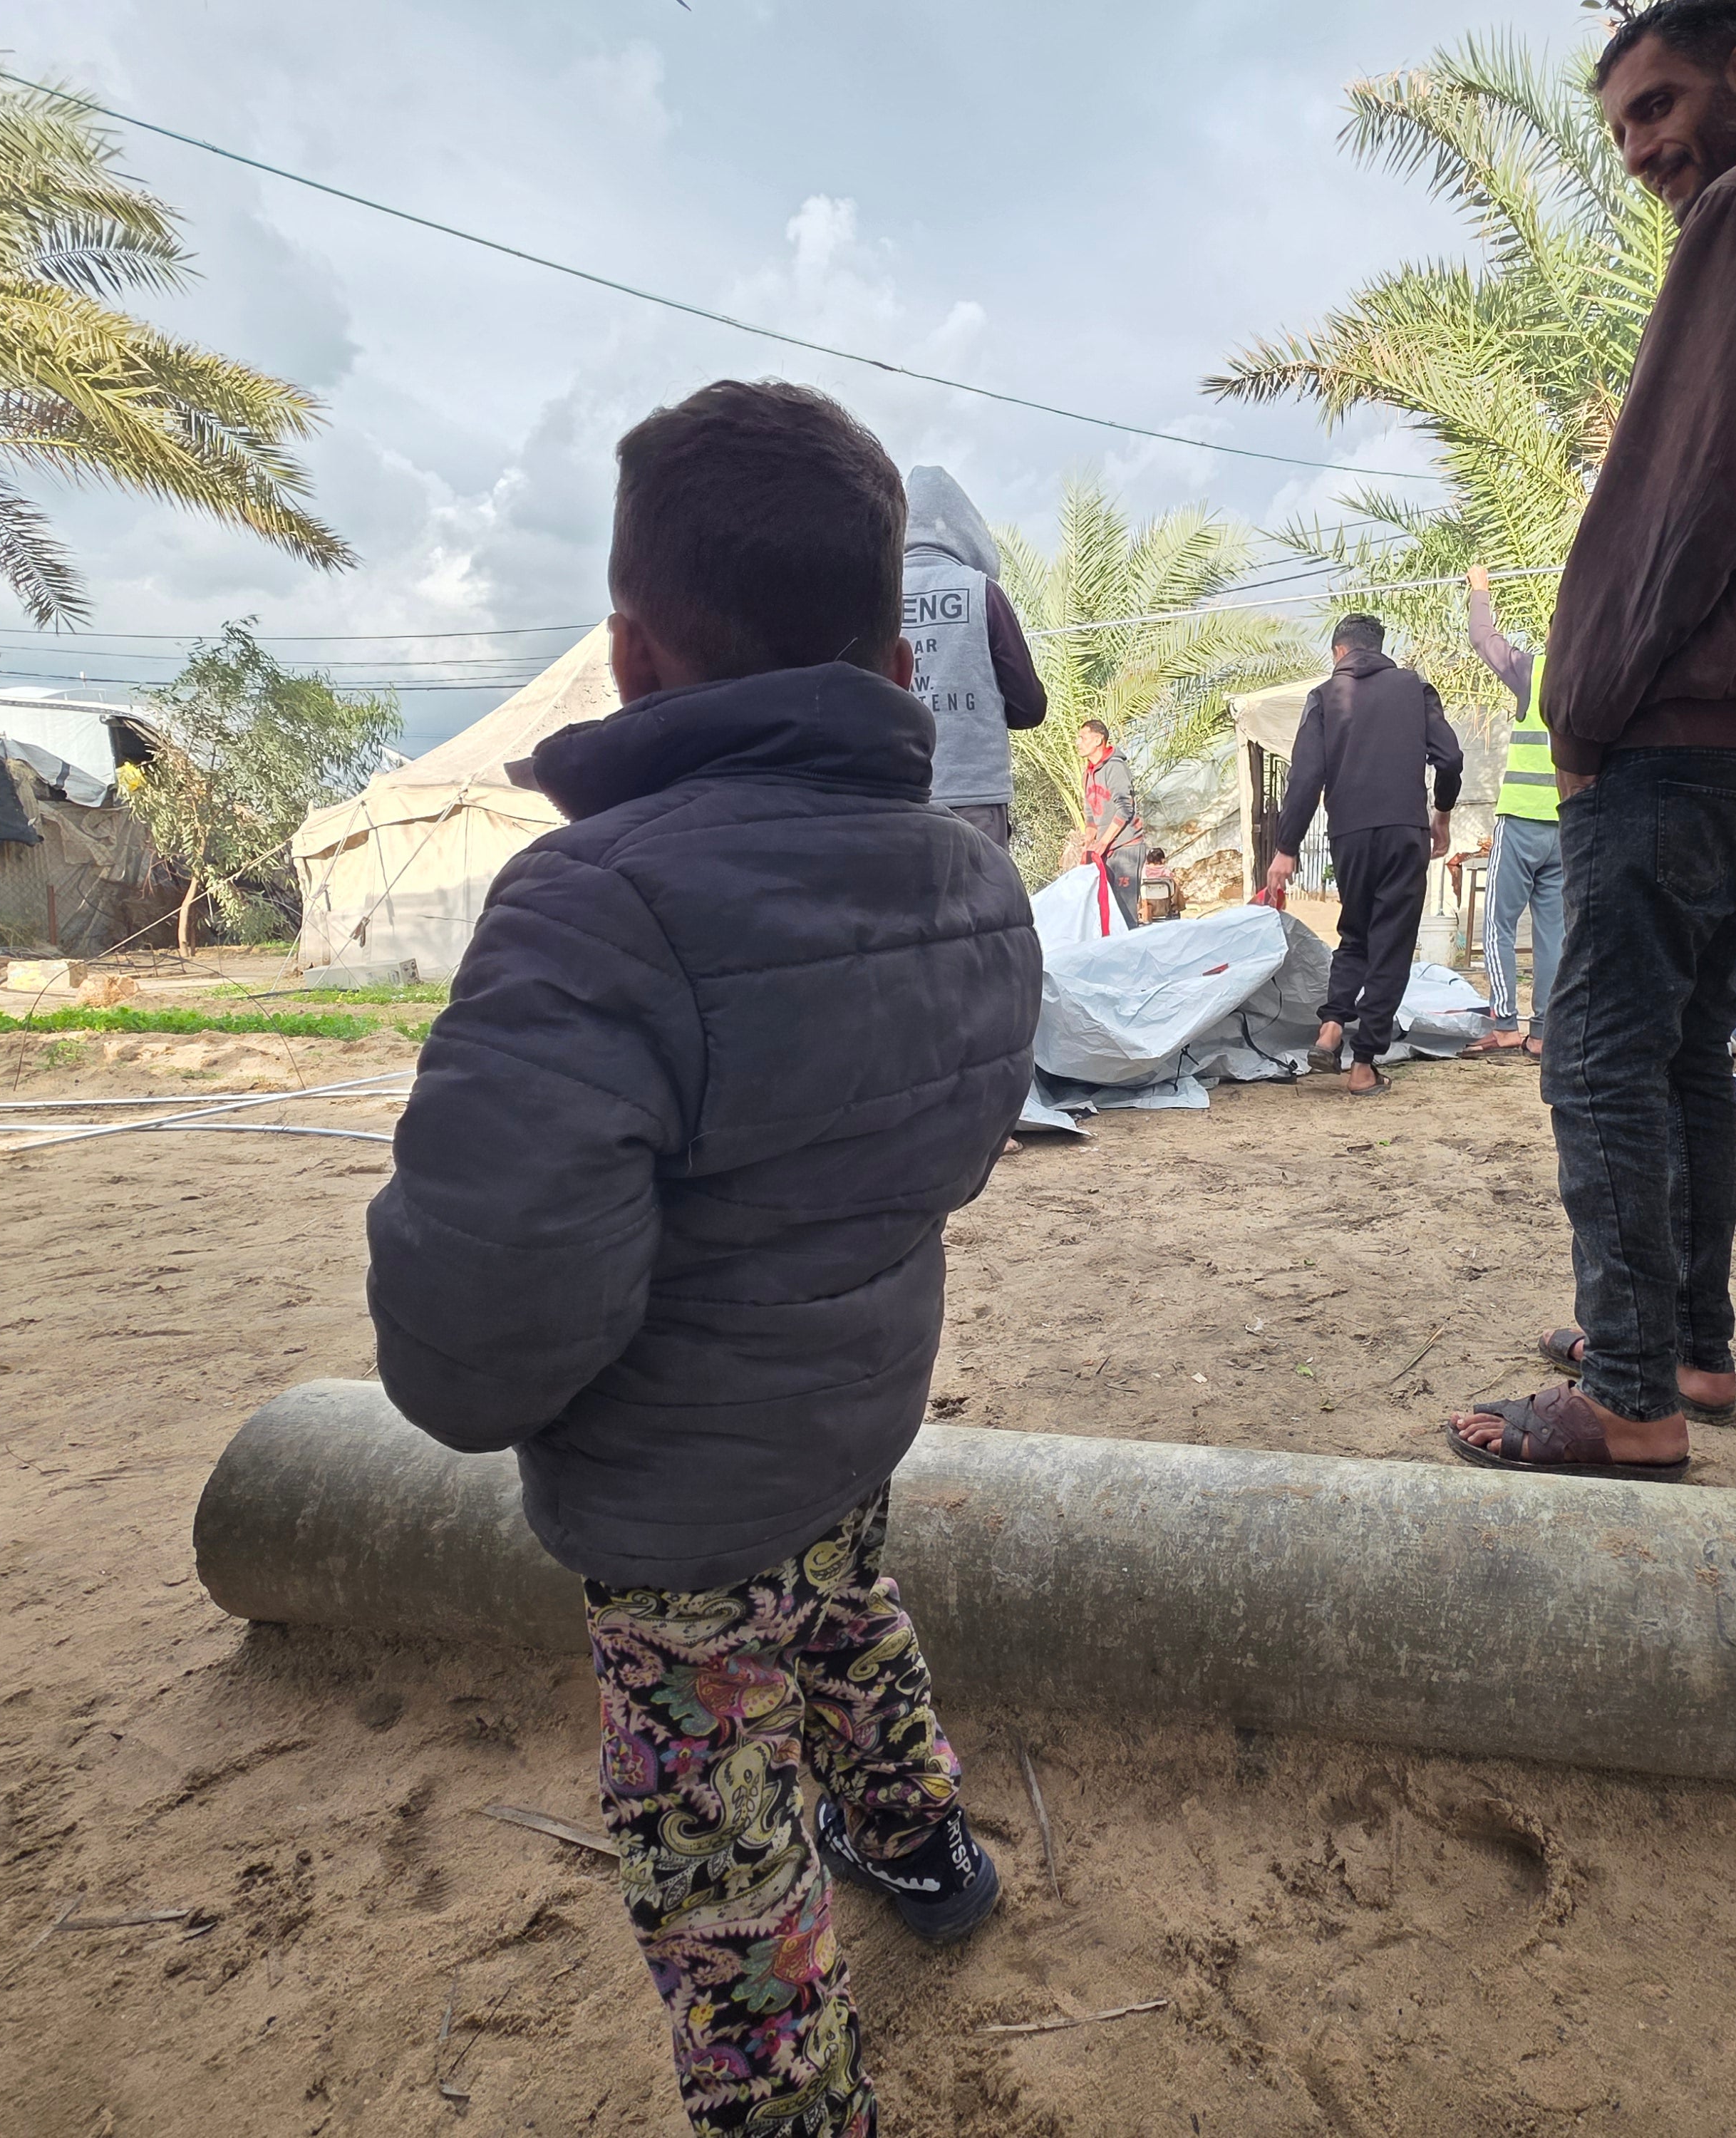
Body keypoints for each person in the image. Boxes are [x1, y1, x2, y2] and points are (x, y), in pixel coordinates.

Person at [366, 379, 1039, 2138]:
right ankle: (924, 1849)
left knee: (714, 1835)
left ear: (631, 657)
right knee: (843, 1605)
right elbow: (951, 1149)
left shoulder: (593, 906)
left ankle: (796, 2106)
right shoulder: (971, 884)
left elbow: (482, 1315)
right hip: (854, 1408)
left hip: (670, 1508)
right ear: (894, 662)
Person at [1451, 0, 1736, 1477]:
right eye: (1620, 130)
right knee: (1682, 1051)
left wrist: (1576, 705)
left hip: (1673, 724)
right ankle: (1688, 1351)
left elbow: (1682, 487)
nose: (1642, 148)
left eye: (1655, 107)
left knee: (1596, 1052)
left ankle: (1630, 1400)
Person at [1263, 614, 1463, 1097]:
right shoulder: (1415, 689)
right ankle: (1364, 1065)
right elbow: (1451, 757)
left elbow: (1306, 778)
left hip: (1349, 835)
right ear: (1379, 648)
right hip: (1403, 830)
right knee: (1391, 943)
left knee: (1355, 933)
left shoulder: (1324, 697)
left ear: (1338, 653)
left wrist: (1286, 849)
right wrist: (1443, 814)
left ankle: (1332, 1025)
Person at [901, 464, 1048, 847]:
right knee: (982, 906)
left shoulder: (872, 597)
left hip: (894, 796)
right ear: (966, 528)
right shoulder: (981, 592)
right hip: (975, 799)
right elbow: (1029, 707)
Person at [1462, 562, 1562, 1059]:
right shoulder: (1597, 683)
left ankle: (1504, 1023)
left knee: (1498, 925)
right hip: (1568, 829)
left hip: (1521, 822)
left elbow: (1483, 637)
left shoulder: (1533, 671)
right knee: (1553, 934)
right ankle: (1544, 1032)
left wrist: (1481, 589)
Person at [1075, 717, 1142, 925]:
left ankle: (1132, 953)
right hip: (1104, 850)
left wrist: (1103, 842)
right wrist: (1089, 840)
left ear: (1098, 740)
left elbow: (1125, 808)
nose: (1078, 742)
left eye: (1082, 737)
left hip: (1125, 848)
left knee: (1125, 912)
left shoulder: (1115, 767)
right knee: (1106, 911)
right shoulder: (1088, 773)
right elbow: (1091, 814)